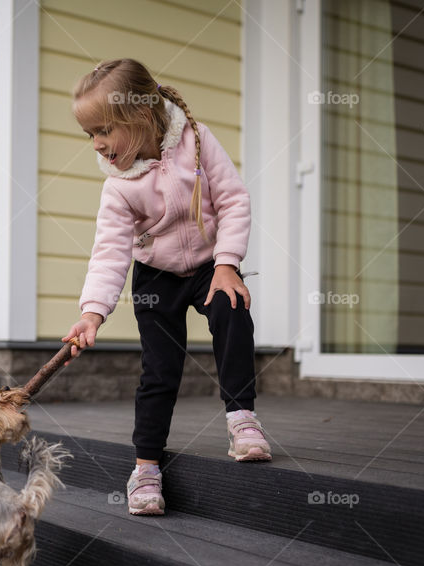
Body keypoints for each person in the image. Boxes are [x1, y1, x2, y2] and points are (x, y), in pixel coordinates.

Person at [62, 59, 271, 516]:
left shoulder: (195, 141)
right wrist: (93, 312)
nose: (97, 145)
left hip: (209, 263)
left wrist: (228, 264)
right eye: (89, 135)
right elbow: (109, 252)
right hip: (156, 275)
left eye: (103, 130)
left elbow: (234, 199)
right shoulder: (118, 186)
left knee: (231, 312)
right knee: (159, 369)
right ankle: (146, 468)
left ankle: (242, 419)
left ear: (139, 116)